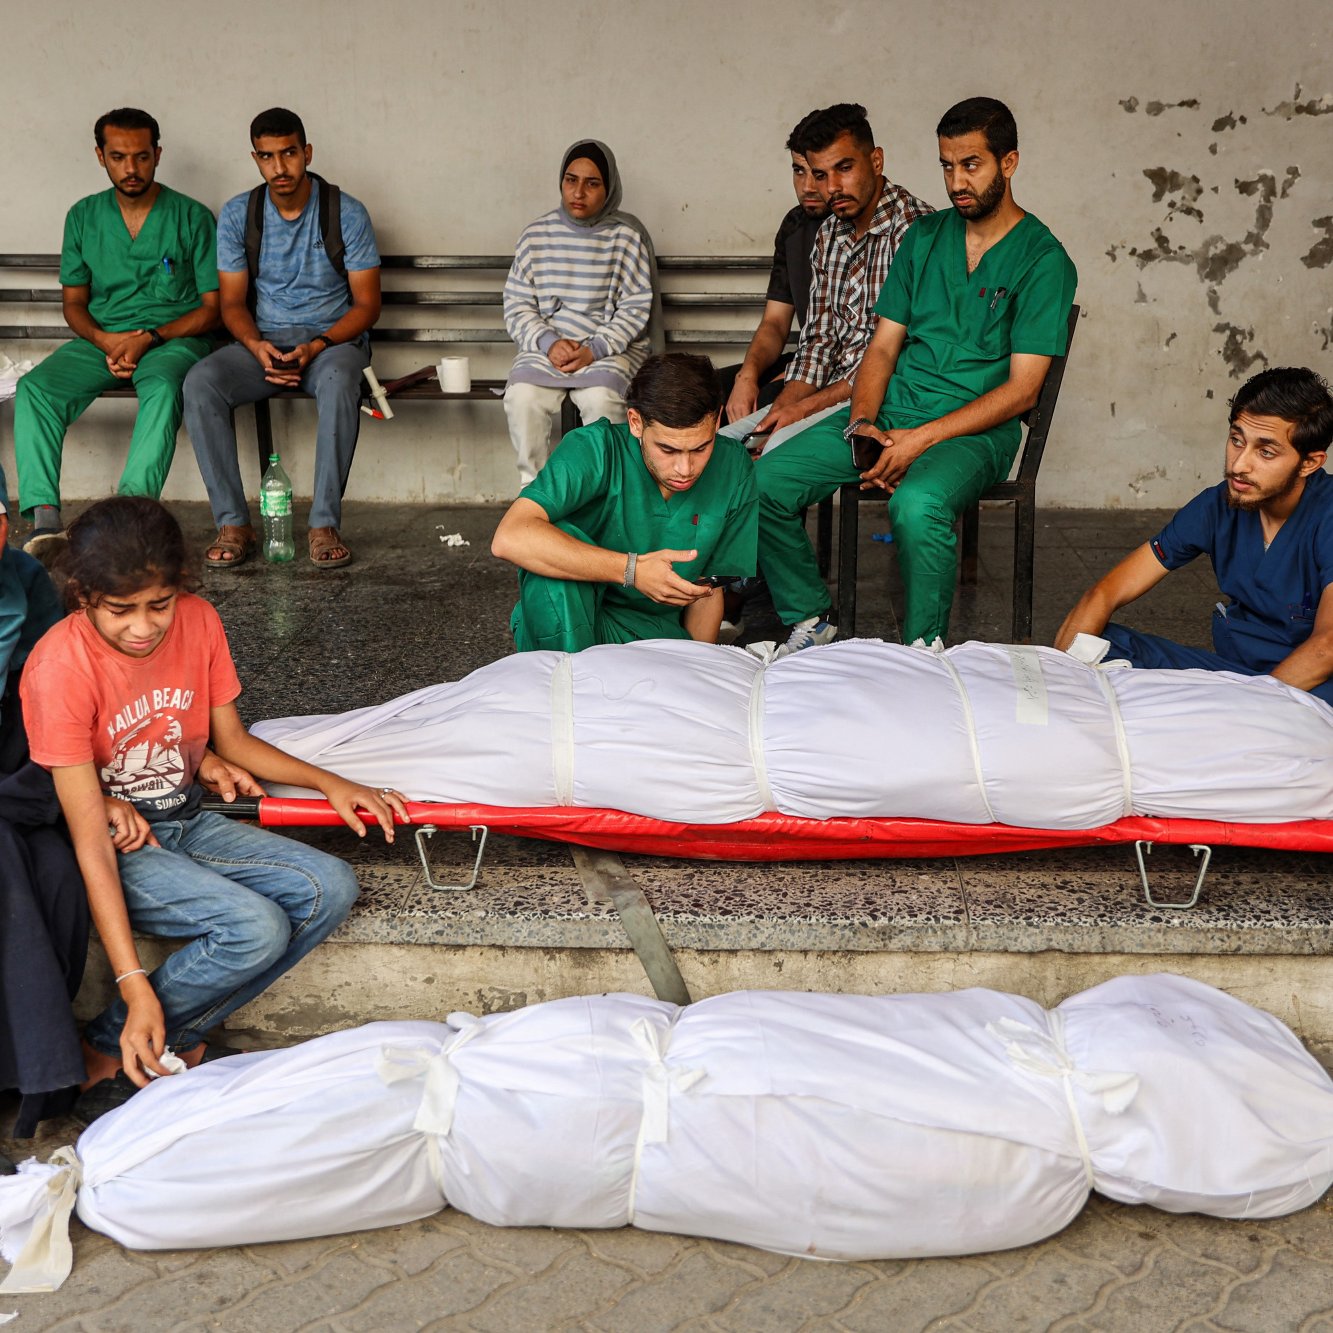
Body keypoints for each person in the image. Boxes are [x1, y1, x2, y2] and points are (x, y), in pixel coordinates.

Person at [19, 496, 410, 1122]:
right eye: (121, 610)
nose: (144, 627)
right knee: (254, 927)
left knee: (331, 885)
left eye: (159, 604)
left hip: (186, 818)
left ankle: (133, 1038)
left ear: (181, 588)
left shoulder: (199, 621)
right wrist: (131, 979)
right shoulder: (60, 668)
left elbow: (233, 742)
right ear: (82, 595)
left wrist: (332, 783)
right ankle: (121, 1037)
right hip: (112, 847)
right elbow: (89, 839)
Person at [755, 96, 1077, 654]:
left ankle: (922, 653)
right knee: (762, 484)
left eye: (971, 164)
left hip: (975, 431)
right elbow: (881, 350)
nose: (957, 181)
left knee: (917, 505)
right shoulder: (925, 239)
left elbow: (1023, 391)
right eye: (947, 166)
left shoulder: (1044, 260)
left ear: (1010, 163)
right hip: (894, 411)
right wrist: (862, 425)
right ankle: (811, 617)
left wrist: (919, 441)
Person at [1055, 367, 1333, 704]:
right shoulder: (1217, 506)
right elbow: (1105, 593)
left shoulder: (1326, 514)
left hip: (1312, 685)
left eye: (1266, 452)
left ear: (1309, 463)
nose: (1239, 465)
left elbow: (1326, 646)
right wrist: (1059, 676)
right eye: (1236, 440)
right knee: (1098, 643)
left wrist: (1251, 711)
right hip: (1237, 676)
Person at [14, 108, 220, 555]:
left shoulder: (191, 216)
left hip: (172, 341)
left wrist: (150, 337)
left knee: (165, 387)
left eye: (142, 157)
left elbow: (212, 310)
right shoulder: (84, 217)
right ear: (100, 156)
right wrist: (105, 340)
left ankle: (127, 517)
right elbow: (74, 303)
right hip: (102, 341)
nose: (131, 168)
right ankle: (45, 522)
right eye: (119, 157)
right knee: (36, 389)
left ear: (158, 155)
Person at [183, 107, 381, 570]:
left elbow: (367, 305)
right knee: (200, 382)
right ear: (255, 158)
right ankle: (234, 523)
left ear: (306, 152)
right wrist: (256, 347)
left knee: (338, 382)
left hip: (331, 346)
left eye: (289, 153)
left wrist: (317, 345)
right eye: (267, 156)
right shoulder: (239, 214)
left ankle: (323, 524)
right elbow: (231, 303)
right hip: (265, 345)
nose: (280, 167)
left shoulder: (344, 212)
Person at [491, 353, 757, 651]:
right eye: (667, 450)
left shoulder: (733, 466)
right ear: (635, 423)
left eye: (700, 448)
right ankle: (569, 686)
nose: (685, 469)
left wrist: (696, 669)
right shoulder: (594, 449)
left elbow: (708, 591)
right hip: (573, 622)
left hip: (656, 636)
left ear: (717, 420)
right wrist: (632, 570)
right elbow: (510, 537)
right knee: (556, 544)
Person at [719, 103, 931, 457]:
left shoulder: (918, 232)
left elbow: (896, 358)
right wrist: (778, 415)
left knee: (769, 460)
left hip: (886, 406)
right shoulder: (829, 233)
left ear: (876, 161)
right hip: (829, 398)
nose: (831, 187)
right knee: (726, 452)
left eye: (844, 168)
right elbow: (818, 345)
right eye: (819, 174)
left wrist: (802, 410)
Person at [0, 463, 83, 1138]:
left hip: (11, 775)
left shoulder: (24, 581)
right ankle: (39, 1065)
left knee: (57, 872)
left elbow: (46, 702)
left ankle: (30, 1074)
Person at [502, 139, 663, 487]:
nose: (578, 192)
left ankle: (601, 495)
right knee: (522, 397)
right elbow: (517, 303)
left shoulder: (626, 237)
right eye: (571, 180)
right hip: (547, 349)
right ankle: (535, 495)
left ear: (609, 188)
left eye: (592, 183)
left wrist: (595, 349)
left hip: (607, 349)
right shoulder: (536, 235)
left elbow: (635, 306)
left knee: (602, 399)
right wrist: (548, 342)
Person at [719, 124, 830, 423]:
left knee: (766, 402)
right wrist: (748, 375)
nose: (807, 186)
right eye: (798, 171)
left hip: (840, 371)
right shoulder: (794, 225)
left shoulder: (856, 228)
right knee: (706, 391)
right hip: (807, 361)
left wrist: (783, 379)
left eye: (817, 173)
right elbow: (775, 323)